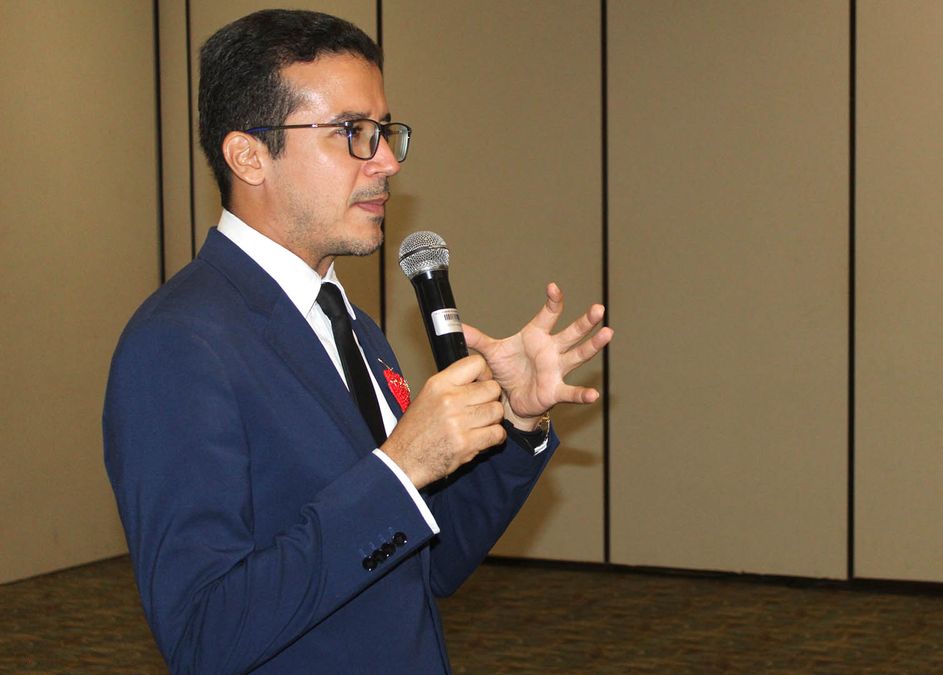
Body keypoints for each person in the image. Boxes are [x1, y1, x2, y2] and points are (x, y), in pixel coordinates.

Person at [102, 9, 611, 674]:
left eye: (385, 131)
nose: (387, 161)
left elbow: (425, 564)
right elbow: (204, 632)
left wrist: (514, 418)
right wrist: (399, 468)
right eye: (352, 134)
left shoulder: (353, 325)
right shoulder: (177, 343)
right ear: (248, 154)